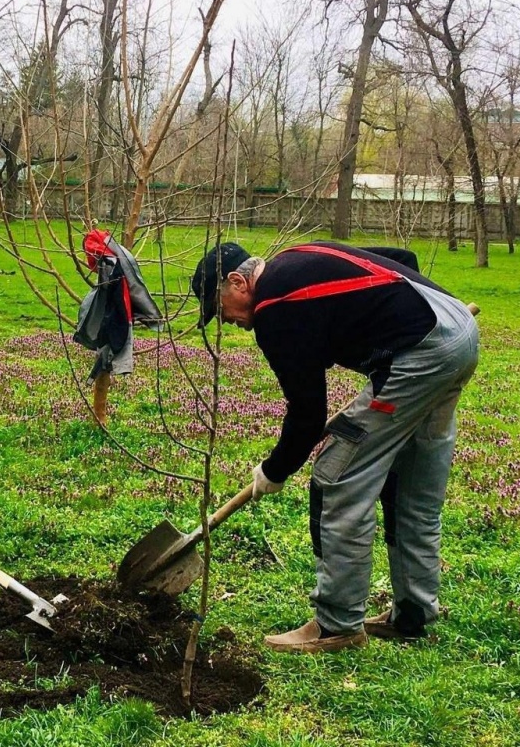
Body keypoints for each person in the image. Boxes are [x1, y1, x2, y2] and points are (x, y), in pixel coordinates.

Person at [192, 240, 479, 654]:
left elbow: (308, 415)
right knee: (410, 485)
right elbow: (401, 260)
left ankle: (337, 625)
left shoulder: (276, 306)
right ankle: (412, 615)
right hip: (454, 330)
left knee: (337, 476)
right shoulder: (300, 256)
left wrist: (273, 471)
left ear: (238, 282)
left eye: (221, 309)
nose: (230, 321)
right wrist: (411, 327)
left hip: (424, 352)